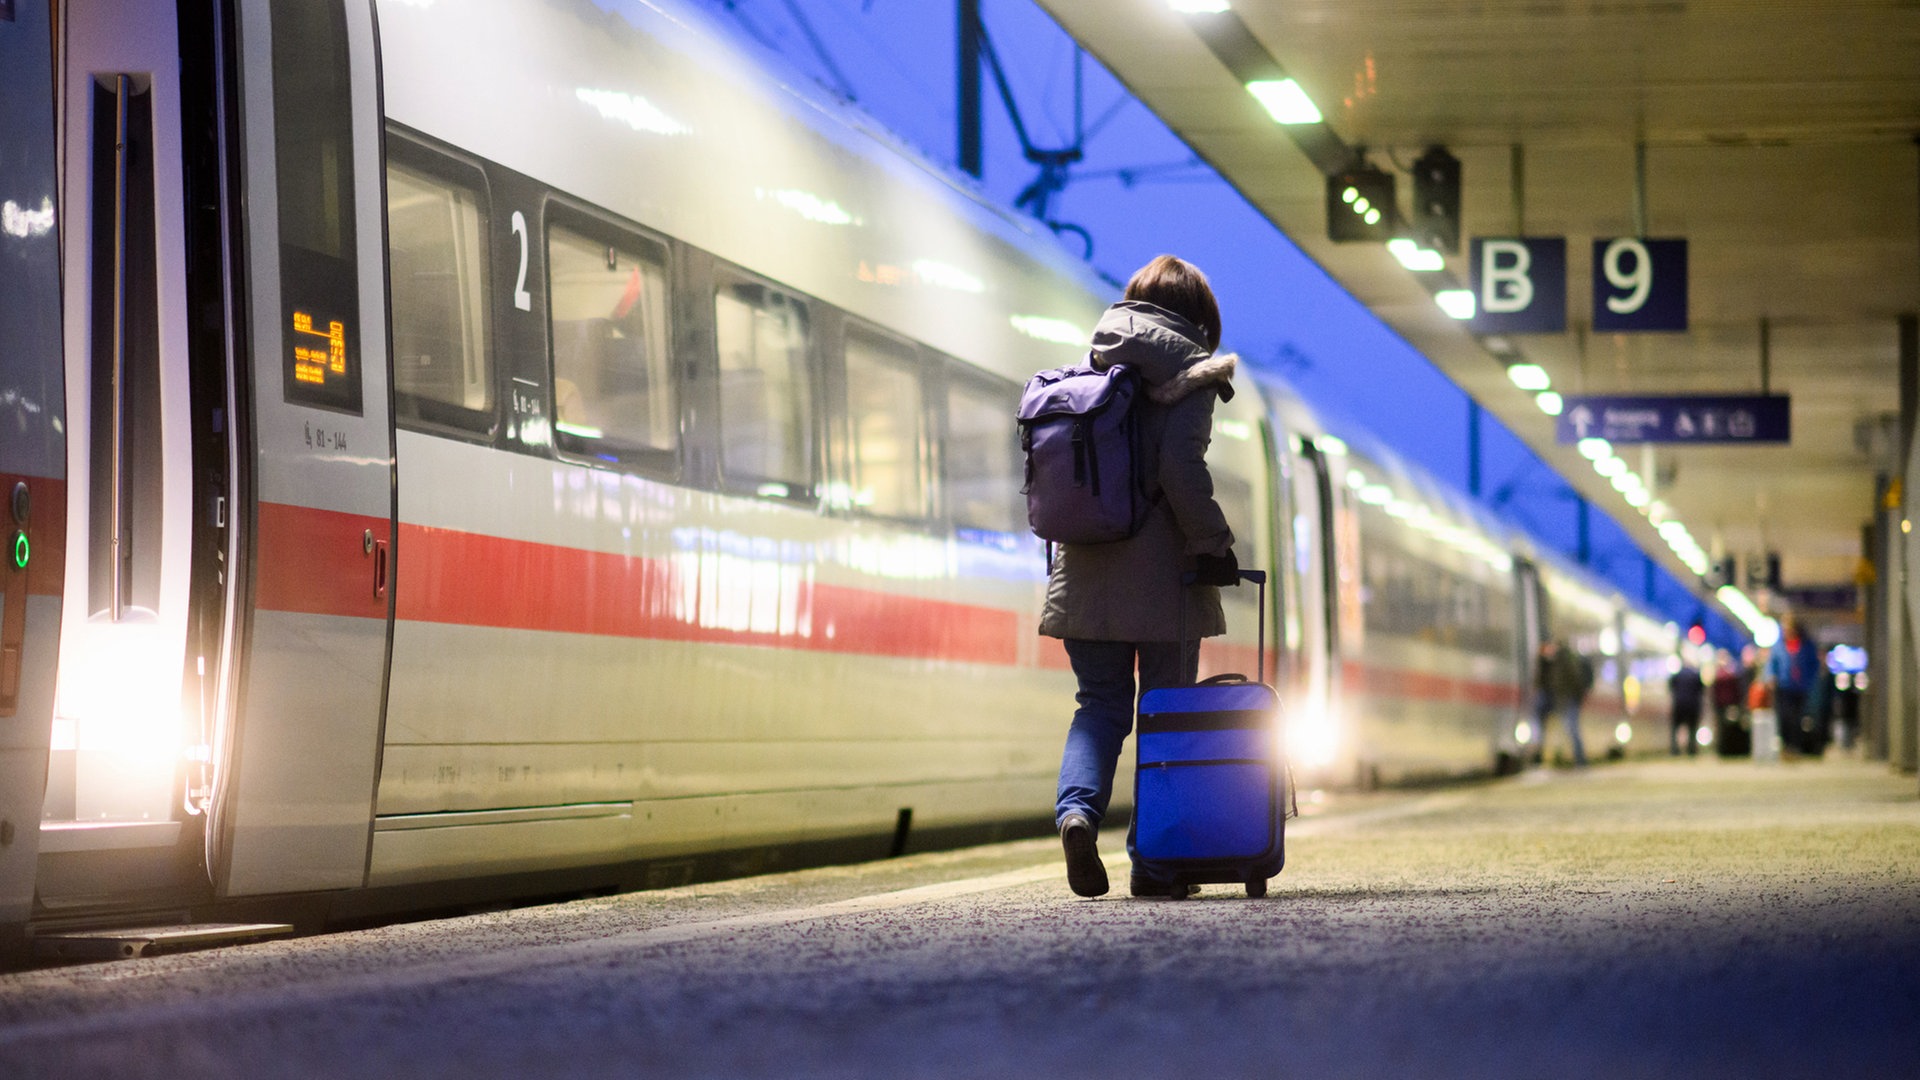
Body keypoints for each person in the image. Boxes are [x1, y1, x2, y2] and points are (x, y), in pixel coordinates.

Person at [1042, 255, 1240, 899]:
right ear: (1199, 318)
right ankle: (1155, 866)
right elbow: (1182, 474)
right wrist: (1214, 544)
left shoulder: (1095, 366)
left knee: (1098, 708)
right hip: (1165, 584)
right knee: (1166, 719)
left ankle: (1076, 813)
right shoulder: (1193, 376)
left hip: (1086, 570)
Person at [1769, 618, 1821, 755]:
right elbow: (1772, 663)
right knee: (1784, 716)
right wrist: (1771, 677)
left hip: (1800, 687)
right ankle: (1786, 746)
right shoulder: (1779, 645)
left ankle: (1795, 746)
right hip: (1783, 686)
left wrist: (1809, 680)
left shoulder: (1806, 645)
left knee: (1797, 718)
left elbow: (1814, 664)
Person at [1546, 638, 1592, 766]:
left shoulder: (1562, 662)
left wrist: (1571, 696)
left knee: (1572, 729)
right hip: (1567, 699)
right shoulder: (1566, 660)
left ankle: (1580, 760)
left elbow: (1571, 681)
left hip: (1568, 700)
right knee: (1570, 729)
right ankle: (1578, 759)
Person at [1668, 657, 1704, 756]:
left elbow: (1671, 687)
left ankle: (1674, 750)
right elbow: (1701, 690)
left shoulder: (1676, 675)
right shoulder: (1696, 675)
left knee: (1675, 728)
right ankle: (1691, 749)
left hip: (1679, 704)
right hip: (1693, 705)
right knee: (1692, 728)